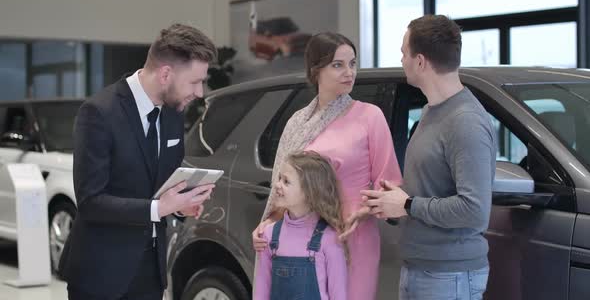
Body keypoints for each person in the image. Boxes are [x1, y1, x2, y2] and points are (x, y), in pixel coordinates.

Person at [58, 23, 218, 300]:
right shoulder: (98, 113)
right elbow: (91, 201)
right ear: (166, 74)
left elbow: (163, 185)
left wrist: (182, 205)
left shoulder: (172, 113)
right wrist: (159, 208)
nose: (200, 92)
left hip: (150, 273)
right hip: (101, 273)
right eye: (194, 82)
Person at [252, 32, 402, 299]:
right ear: (315, 70)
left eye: (352, 63)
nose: (349, 72)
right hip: (303, 241)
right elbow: (281, 187)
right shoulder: (298, 123)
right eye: (338, 64)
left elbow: (389, 183)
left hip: (352, 237)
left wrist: (363, 211)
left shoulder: (369, 116)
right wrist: (266, 226)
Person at [361, 15, 496, 300]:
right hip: (419, 267)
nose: (401, 60)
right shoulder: (430, 111)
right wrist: (394, 201)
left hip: (449, 274)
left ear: (420, 61)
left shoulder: (466, 122)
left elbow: (474, 210)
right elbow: (429, 189)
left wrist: (408, 205)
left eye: (403, 53)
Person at [254, 151, 347, 300]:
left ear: (309, 193)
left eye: (286, 182)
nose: (277, 185)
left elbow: (339, 295)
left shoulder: (329, 239)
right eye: (279, 178)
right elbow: (261, 291)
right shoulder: (269, 235)